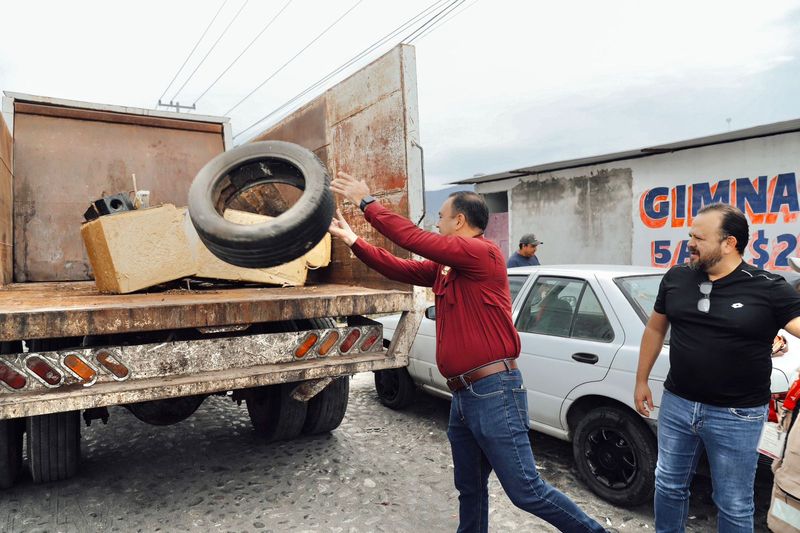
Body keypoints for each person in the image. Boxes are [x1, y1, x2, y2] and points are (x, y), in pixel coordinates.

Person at [329, 172, 606, 533]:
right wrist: (353, 241)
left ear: (460, 221)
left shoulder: (481, 253)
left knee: (525, 491)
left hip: (494, 391)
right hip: (463, 395)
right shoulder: (449, 267)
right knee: (469, 487)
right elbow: (401, 267)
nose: (437, 224)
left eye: (441, 218)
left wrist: (368, 203)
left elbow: (414, 239)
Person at [633, 202, 800, 533]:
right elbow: (655, 328)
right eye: (690, 235)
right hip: (677, 404)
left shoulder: (768, 287)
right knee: (667, 484)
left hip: (736, 415)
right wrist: (641, 381)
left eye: (699, 237)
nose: (690, 244)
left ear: (729, 243)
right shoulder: (677, 277)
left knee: (734, 502)